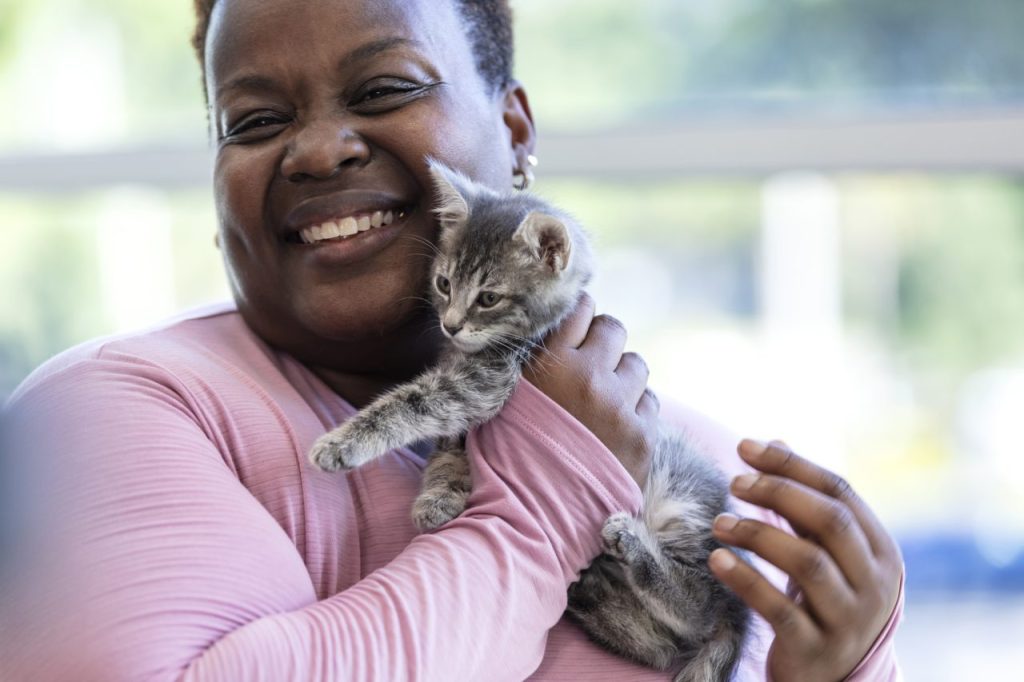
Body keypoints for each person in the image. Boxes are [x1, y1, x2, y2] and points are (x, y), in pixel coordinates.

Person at [0, 0, 904, 679]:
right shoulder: (102, 416)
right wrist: (543, 498)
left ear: (514, 133)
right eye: (255, 122)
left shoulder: (706, 469)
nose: (315, 152)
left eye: (385, 88)